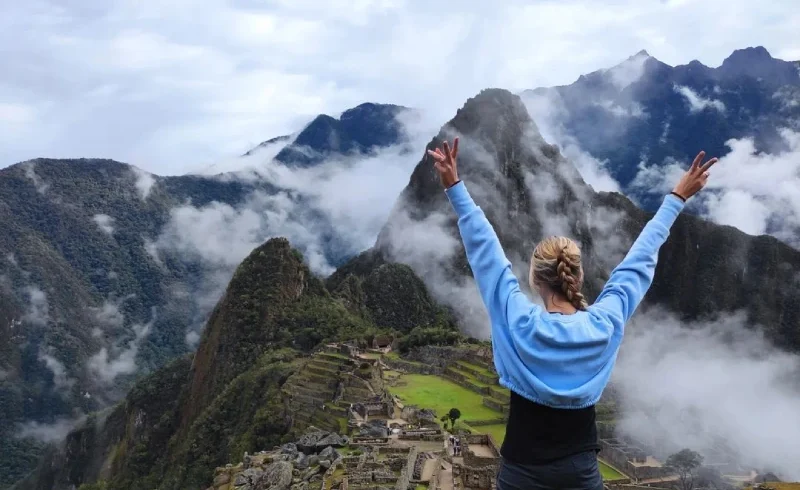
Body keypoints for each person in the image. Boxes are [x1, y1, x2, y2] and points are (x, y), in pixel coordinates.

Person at [427, 138, 718, 490]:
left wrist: (454, 187)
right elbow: (638, 261)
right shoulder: (604, 324)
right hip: (580, 473)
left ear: (535, 280)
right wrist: (677, 198)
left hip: (521, 471)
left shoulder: (518, 322)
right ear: (577, 276)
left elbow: (486, 253)